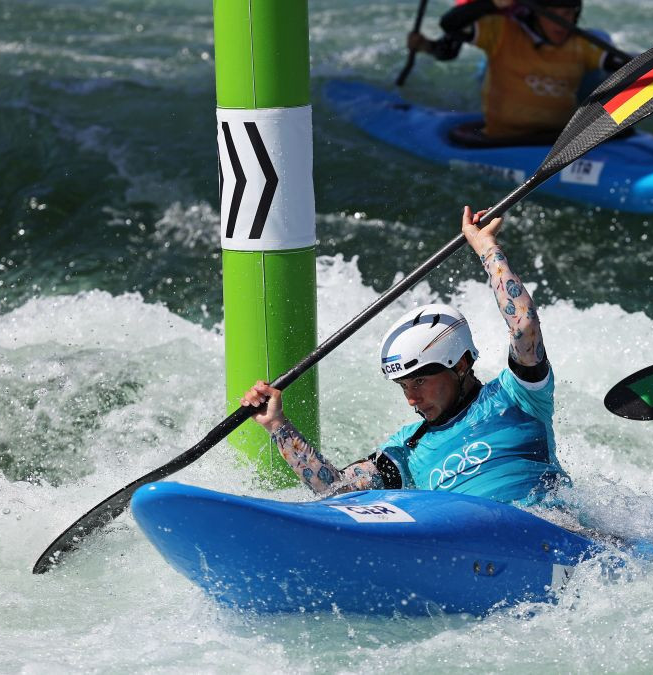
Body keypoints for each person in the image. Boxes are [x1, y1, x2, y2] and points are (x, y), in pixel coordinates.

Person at [240, 206, 566, 506]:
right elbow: (337, 490)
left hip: (554, 535)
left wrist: (485, 248)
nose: (412, 399)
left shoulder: (518, 395)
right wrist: (278, 425)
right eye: (404, 386)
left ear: (461, 364)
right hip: (475, 553)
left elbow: (523, 324)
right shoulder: (408, 448)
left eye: (420, 380)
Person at [407, 0, 625, 141]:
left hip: (562, 62)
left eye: (568, 13)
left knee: (598, 42)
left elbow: (622, 64)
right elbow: (450, 38)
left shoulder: (582, 41)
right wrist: (428, 46)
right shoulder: (499, 27)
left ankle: (571, 116)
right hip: (507, 48)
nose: (562, 20)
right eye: (556, 14)